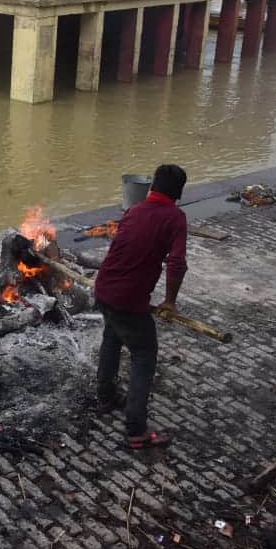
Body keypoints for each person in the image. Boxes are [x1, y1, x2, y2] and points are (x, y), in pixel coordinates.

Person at [93, 164, 188, 449]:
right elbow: (177, 264)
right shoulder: (175, 217)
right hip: (129, 299)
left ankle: (106, 395)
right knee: (144, 355)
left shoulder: (134, 210)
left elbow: (118, 249)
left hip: (104, 288)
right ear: (179, 192)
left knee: (112, 338)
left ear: (152, 187)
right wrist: (170, 301)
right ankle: (136, 429)